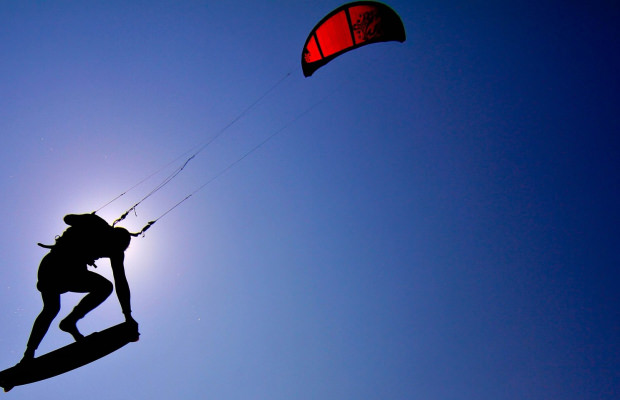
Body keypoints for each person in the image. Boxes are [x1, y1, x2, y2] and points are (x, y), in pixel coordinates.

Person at [21, 213, 138, 362]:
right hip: (52, 268)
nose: (108, 254)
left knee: (105, 287)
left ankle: (69, 322)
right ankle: (28, 354)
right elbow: (67, 219)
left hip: (74, 273)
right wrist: (87, 220)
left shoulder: (116, 252)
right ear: (110, 237)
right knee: (51, 309)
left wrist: (128, 316)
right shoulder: (97, 225)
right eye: (110, 249)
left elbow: (121, 281)